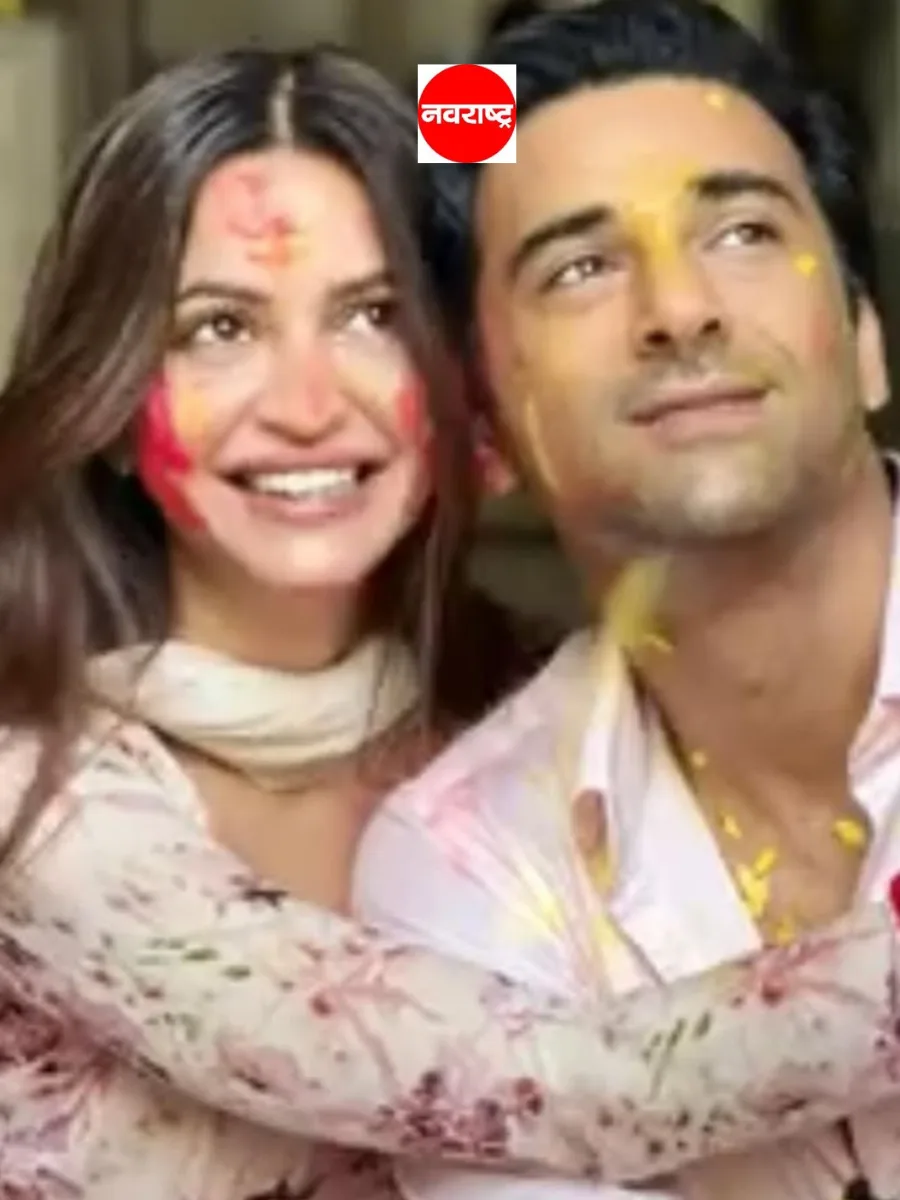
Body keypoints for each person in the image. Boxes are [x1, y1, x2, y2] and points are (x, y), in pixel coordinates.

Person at [2, 33, 900, 1200]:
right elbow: (574, 1084)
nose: (308, 406)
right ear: (117, 403)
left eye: (373, 314)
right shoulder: (44, 810)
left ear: (471, 398)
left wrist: (531, 107)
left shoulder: (536, 724)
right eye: (219, 327)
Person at [354, 1, 900, 1197]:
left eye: (745, 232)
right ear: (485, 424)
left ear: (867, 337)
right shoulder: (468, 865)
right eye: (582, 267)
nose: (680, 308)